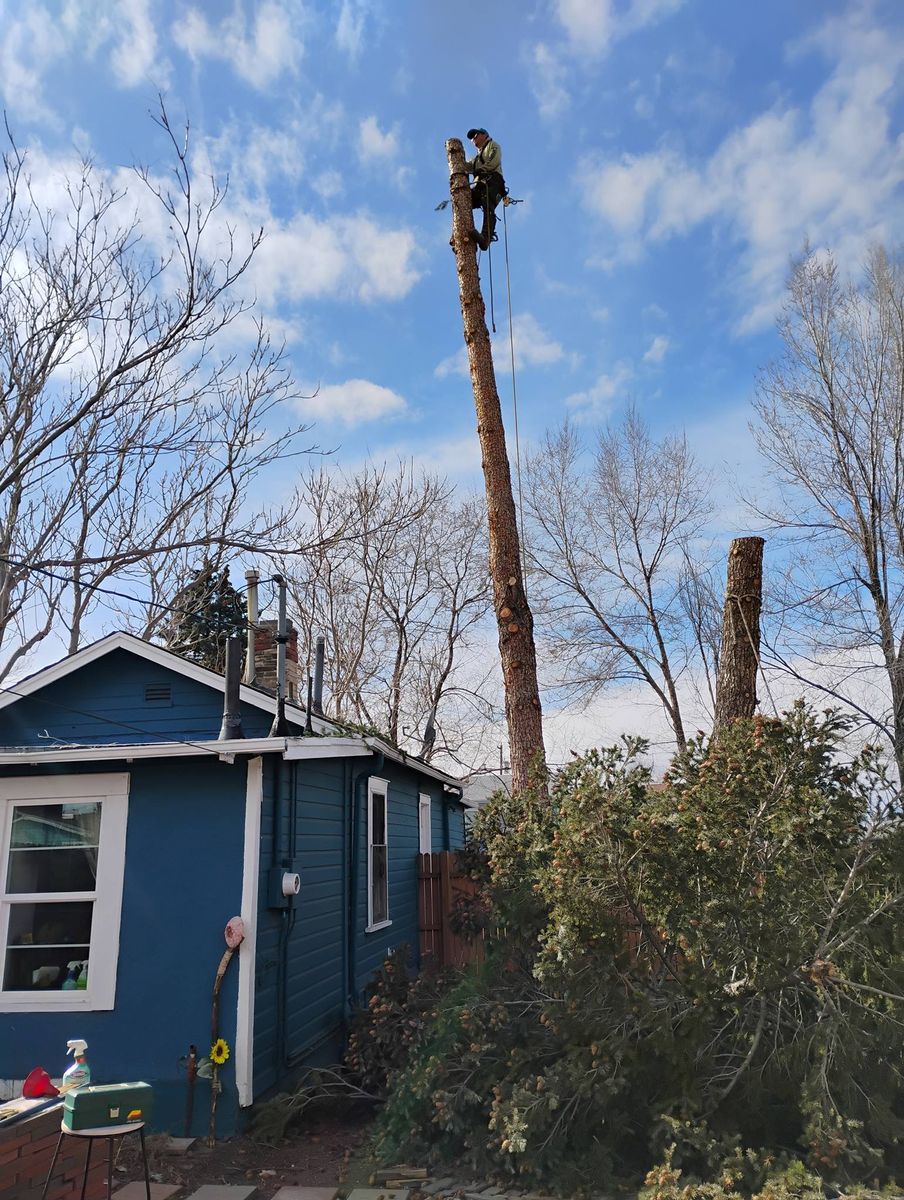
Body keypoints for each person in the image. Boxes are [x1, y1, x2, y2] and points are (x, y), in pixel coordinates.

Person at [465, 128, 505, 250]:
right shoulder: (476, 158)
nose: (473, 139)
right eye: (472, 138)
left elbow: (493, 161)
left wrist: (480, 171)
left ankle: (486, 237)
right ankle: (462, 236)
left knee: (488, 203)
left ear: (484, 135)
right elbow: (467, 166)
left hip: (494, 181)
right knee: (465, 200)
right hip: (481, 185)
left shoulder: (493, 146)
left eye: (475, 135)